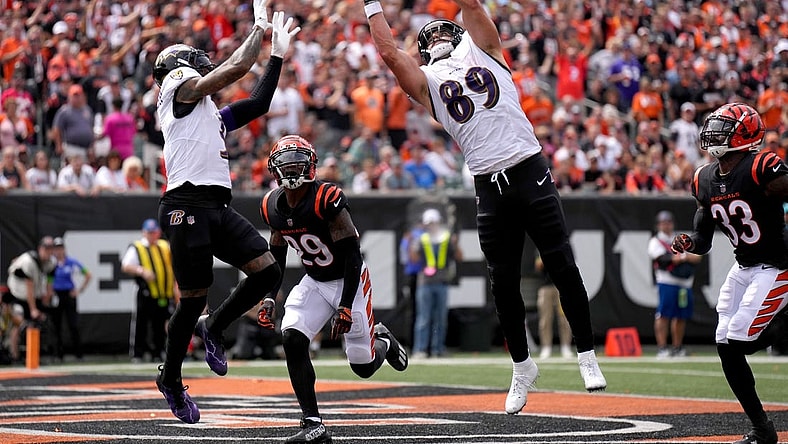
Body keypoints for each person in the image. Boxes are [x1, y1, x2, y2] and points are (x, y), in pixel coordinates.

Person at [364, 0, 606, 415]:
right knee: (502, 282)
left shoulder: (485, 50)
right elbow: (388, 52)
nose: (437, 38)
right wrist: (371, 4)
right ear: (423, 52)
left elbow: (472, 5)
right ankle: (522, 367)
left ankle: (586, 354)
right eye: (429, 37)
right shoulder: (426, 82)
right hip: (487, 182)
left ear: (460, 35)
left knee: (561, 263)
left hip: (528, 167)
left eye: (444, 31)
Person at [151, 1, 299, 424]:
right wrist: (258, 28)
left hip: (216, 205)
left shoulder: (206, 113)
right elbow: (234, 69)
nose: (202, 65)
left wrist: (277, 56)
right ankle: (171, 378)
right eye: (195, 62)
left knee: (267, 272)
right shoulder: (177, 91)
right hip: (186, 205)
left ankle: (214, 326)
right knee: (191, 299)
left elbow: (258, 104)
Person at [259, 134, 409, 442]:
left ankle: (383, 340)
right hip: (315, 280)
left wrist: (345, 305)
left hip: (348, 280)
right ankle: (313, 423)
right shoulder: (271, 205)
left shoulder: (326, 198)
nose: (292, 171)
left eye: (297, 164)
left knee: (362, 367)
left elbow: (353, 256)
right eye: (286, 166)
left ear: (310, 166)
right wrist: (269, 297)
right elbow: (276, 255)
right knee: (292, 336)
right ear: (274, 170)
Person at [671, 102, 787, 444]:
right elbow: (703, 239)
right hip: (745, 265)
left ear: (745, 134)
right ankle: (762, 429)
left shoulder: (761, 166)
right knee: (725, 342)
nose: (713, 133)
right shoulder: (704, 178)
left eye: (723, 128)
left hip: (777, 264)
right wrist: (688, 242)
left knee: (740, 338)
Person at [121, 219, 179, 363]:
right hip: (146, 291)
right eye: (150, 232)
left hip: (163, 292)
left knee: (160, 324)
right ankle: (138, 354)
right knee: (141, 323)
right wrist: (142, 271)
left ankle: (158, 352)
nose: (153, 235)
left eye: (155, 232)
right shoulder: (138, 247)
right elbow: (126, 265)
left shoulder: (164, 246)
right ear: (144, 232)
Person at [410, 208, 461, 359]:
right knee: (423, 318)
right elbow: (413, 259)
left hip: (442, 282)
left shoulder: (446, 237)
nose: (431, 226)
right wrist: (412, 243)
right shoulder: (422, 239)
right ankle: (420, 349)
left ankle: (438, 349)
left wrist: (455, 243)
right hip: (425, 282)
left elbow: (459, 256)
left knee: (440, 318)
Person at [648, 210, 700, 359]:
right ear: (658, 225)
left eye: (669, 222)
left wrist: (680, 257)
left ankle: (677, 347)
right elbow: (662, 259)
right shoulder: (656, 241)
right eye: (663, 223)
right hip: (667, 282)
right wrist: (683, 257)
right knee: (664, 314)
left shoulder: (679, 239)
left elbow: (697, 257)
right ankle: (662, 348)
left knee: (681, 316)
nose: (666, 225)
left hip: (684, 283)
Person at [50, 236, 91, 362]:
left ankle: (79, 354)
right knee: (56, 325)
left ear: (64, 249)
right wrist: (49, 292)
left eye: (60, 248)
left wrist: (79, 290)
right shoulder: (51, 264)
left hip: (69, 295)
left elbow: (88, 274)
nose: (58, 251)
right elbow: (47, 279)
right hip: (56, 295)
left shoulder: (71, 262)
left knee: (73, 324)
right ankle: (58, 355)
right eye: (56, 249)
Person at [535, 254, 573, 359]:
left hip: (561, 286)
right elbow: (538, 265)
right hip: (545, 287)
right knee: (545, 319)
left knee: (564, 319)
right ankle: (546, 347)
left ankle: (566, 347)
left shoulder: (563, 246)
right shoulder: (540, 248)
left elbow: (569, 262)